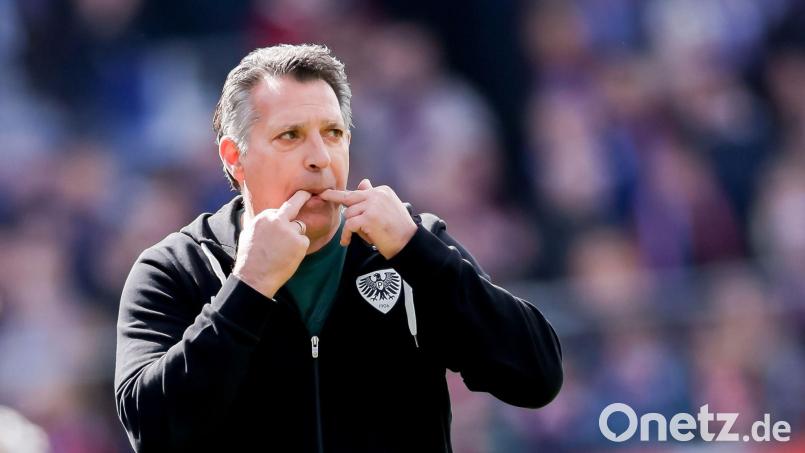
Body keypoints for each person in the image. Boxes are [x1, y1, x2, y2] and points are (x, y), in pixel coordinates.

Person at [114, 43, 563, 452]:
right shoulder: (175, 269)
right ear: (235, 157)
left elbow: (536, 378)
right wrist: (248, 288)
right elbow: (153, 433)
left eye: (332, 133)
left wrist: (416, 251)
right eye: (290, 136)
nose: (320, 158)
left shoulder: (408, 246)